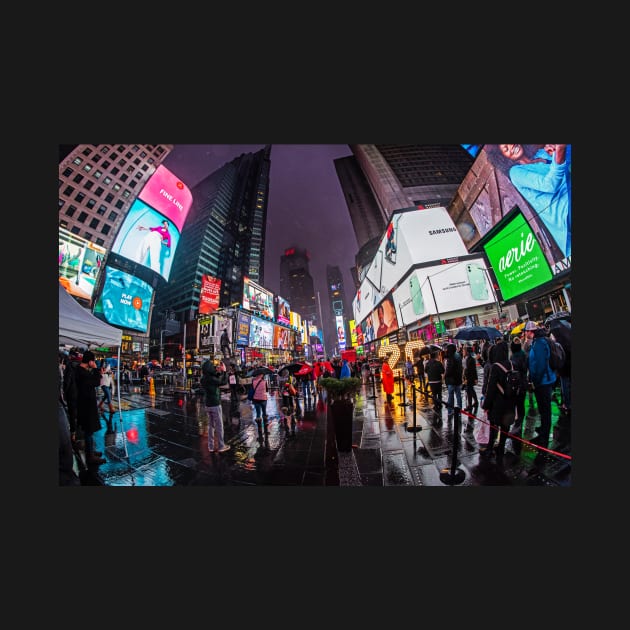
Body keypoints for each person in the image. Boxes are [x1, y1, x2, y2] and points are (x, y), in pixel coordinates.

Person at [492, 144, 571, 259]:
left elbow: (566, 164)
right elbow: (550, 185)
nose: (511, 146)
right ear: (503, 157)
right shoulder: (516, 173)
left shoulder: (541, 154)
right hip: (564, 214)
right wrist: (559, 152)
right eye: (506, 149)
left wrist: (557, 153)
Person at [481, 340, 517, 463]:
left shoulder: (495, 367)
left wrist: (486, 405)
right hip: (510, 402)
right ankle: (501, 448)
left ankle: (490, 449)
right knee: (505, 427)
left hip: (497, 403)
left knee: (494, 427)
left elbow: (490, 389)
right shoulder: (511, 364)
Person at [525, 320, 557, 458]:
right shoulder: (536, 342)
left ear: (531, 332)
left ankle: (544, 436)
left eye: (526, 331)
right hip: (542, 381)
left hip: (543, 382)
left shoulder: (539, 343)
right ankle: (543, 430)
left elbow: (540, 365)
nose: (525, 334)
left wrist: (535, 381)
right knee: (543, 409)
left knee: (545, 410)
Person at [74, 350, 106, 466]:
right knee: (88, 431)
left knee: (89, 430)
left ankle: (90, 451)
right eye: (93, 361)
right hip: (86, 405)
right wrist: (97, 369)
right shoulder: (82, 372)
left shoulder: (80, 371)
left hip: (85, 404)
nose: (94, 363)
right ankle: (90, 457)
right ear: (90, 361)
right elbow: (96, 382)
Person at [201, 360, 230, 453]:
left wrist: (218, 372)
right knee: (219, 425)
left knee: (211, 426)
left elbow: (215, 379)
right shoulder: (211, 379)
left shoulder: (204, 378)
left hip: (208, 404)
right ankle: (221, 446)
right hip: (215, 404)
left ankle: (211, 446)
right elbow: (223, 382)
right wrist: (224, 371)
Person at [506, 337, 529, 455]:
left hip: (515, 384)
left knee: (515, 404)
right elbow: (526, 368)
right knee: (521, 405)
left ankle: (517, 423)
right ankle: (519, 421)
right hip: (524, 383)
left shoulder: (513, 358)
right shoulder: (524, 355)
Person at [444, 343, 463, 425]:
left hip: (451, 380)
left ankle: (450, 410)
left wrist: (445, 376)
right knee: (458, 395)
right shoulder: (458, 355)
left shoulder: (450, 358)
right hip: (458, 379)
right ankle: (459, 410)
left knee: (451, 395)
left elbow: (449, 370)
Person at [462, 345, 479, 430]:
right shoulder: (467, 359)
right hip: (470, 378)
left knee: (469, 391)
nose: (463, 352)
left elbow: (469, 370)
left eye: (464, 351)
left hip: (469, 378)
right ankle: (475, 402)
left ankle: (470, 405)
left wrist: (467, 379)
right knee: (471, 390)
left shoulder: (470, 359)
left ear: (467, 352)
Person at [251, 371, 270, 440]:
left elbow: (252, 389)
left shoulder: (253, 381)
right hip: (263, 399)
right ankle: (265, 427)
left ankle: (259, 431)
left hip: (256, 399)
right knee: (264, 411)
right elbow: (267, 390)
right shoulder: (264, 382)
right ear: (261, 375)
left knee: (258, 413)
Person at [425, 350, 445, 417]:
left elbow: (425, 370)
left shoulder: (428, 363)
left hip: (431, 381)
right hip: (438, 380)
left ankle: (436, 405)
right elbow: (442, 371)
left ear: (430, 356)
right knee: (439, 393)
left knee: (434, 394)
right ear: (435, 356)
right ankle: (440, 404)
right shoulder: (438, 363)